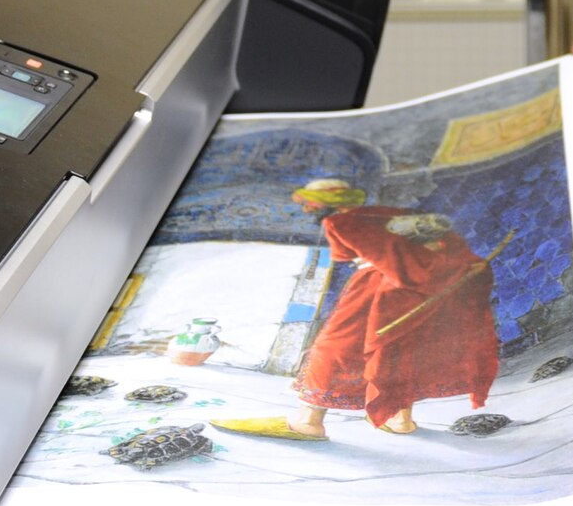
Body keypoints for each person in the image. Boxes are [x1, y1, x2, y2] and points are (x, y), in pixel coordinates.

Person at [215, 178, 501, 440]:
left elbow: (371, 255)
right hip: (416, 287)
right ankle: (400, 420)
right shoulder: (388, 212)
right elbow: (439, 245)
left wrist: (408, 276)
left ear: (330, 201)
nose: (304, 209)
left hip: (378, 287)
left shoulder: (340, 222)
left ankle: (308, 422)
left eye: (308, 202)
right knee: (398, 348)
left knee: (334, 348)